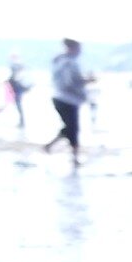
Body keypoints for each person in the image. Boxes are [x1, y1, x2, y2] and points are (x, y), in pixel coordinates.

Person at [45, 39, 91, 167]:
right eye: (79, 49)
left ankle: (50, 146)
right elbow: (70, 82)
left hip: (59, 97)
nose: (80, 52)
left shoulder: (59, 61)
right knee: (73, 128)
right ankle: (74, 157)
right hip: (67, 99)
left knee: (69, 127)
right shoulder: (69, 62)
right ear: (73, 48)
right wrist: (87, 81)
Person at [7, 56, 30, 129]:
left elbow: (16, 78)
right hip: (17, 89)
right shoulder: (19, 66)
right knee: (17, 105)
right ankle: (21, 122)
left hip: (17, 89)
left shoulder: (17, 66)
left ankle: (22, 122)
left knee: (18, 105)